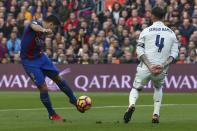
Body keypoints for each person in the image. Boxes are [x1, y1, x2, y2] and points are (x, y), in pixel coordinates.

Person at [20, 15, 84, 121]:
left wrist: (45, 32)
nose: (53, 29)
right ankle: (52, 114)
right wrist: (44, 30)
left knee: (58, 78)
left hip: (41, 57)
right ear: (50, 24)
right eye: (53, 27)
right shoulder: (36, 24)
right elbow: (33, 26)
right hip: (29, 61)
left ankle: (73, 100)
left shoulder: (45, 32)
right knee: (43, 87)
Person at [123, 7, 179, 124]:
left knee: (136, 88)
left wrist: (149, 65)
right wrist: (163, 65)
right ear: (163, 17)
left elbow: (139, 50)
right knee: (158, 87)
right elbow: (175, 53)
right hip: (161, 69)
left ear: (152, 16)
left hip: (146, 67)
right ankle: (155, 114)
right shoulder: (171, 33)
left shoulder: (146, 31)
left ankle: (132, 105)